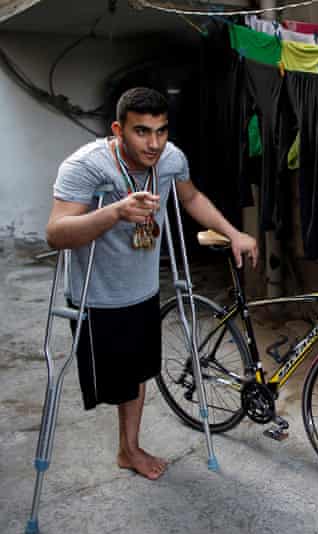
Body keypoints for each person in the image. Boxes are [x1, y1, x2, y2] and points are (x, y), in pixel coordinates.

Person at [46, 87, 257, 480]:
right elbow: (57, 234)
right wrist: (115, 212)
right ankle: (128, 448)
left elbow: (191, 197)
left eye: (161, 131)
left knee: (139, 373)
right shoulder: (86, 166)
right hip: (98, 296)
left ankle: (129, 449)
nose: (154, 143)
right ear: (118, 129)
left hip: (143, 290)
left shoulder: (171, 158)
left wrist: (234, 233)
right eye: (142, 132)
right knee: (117, 384)